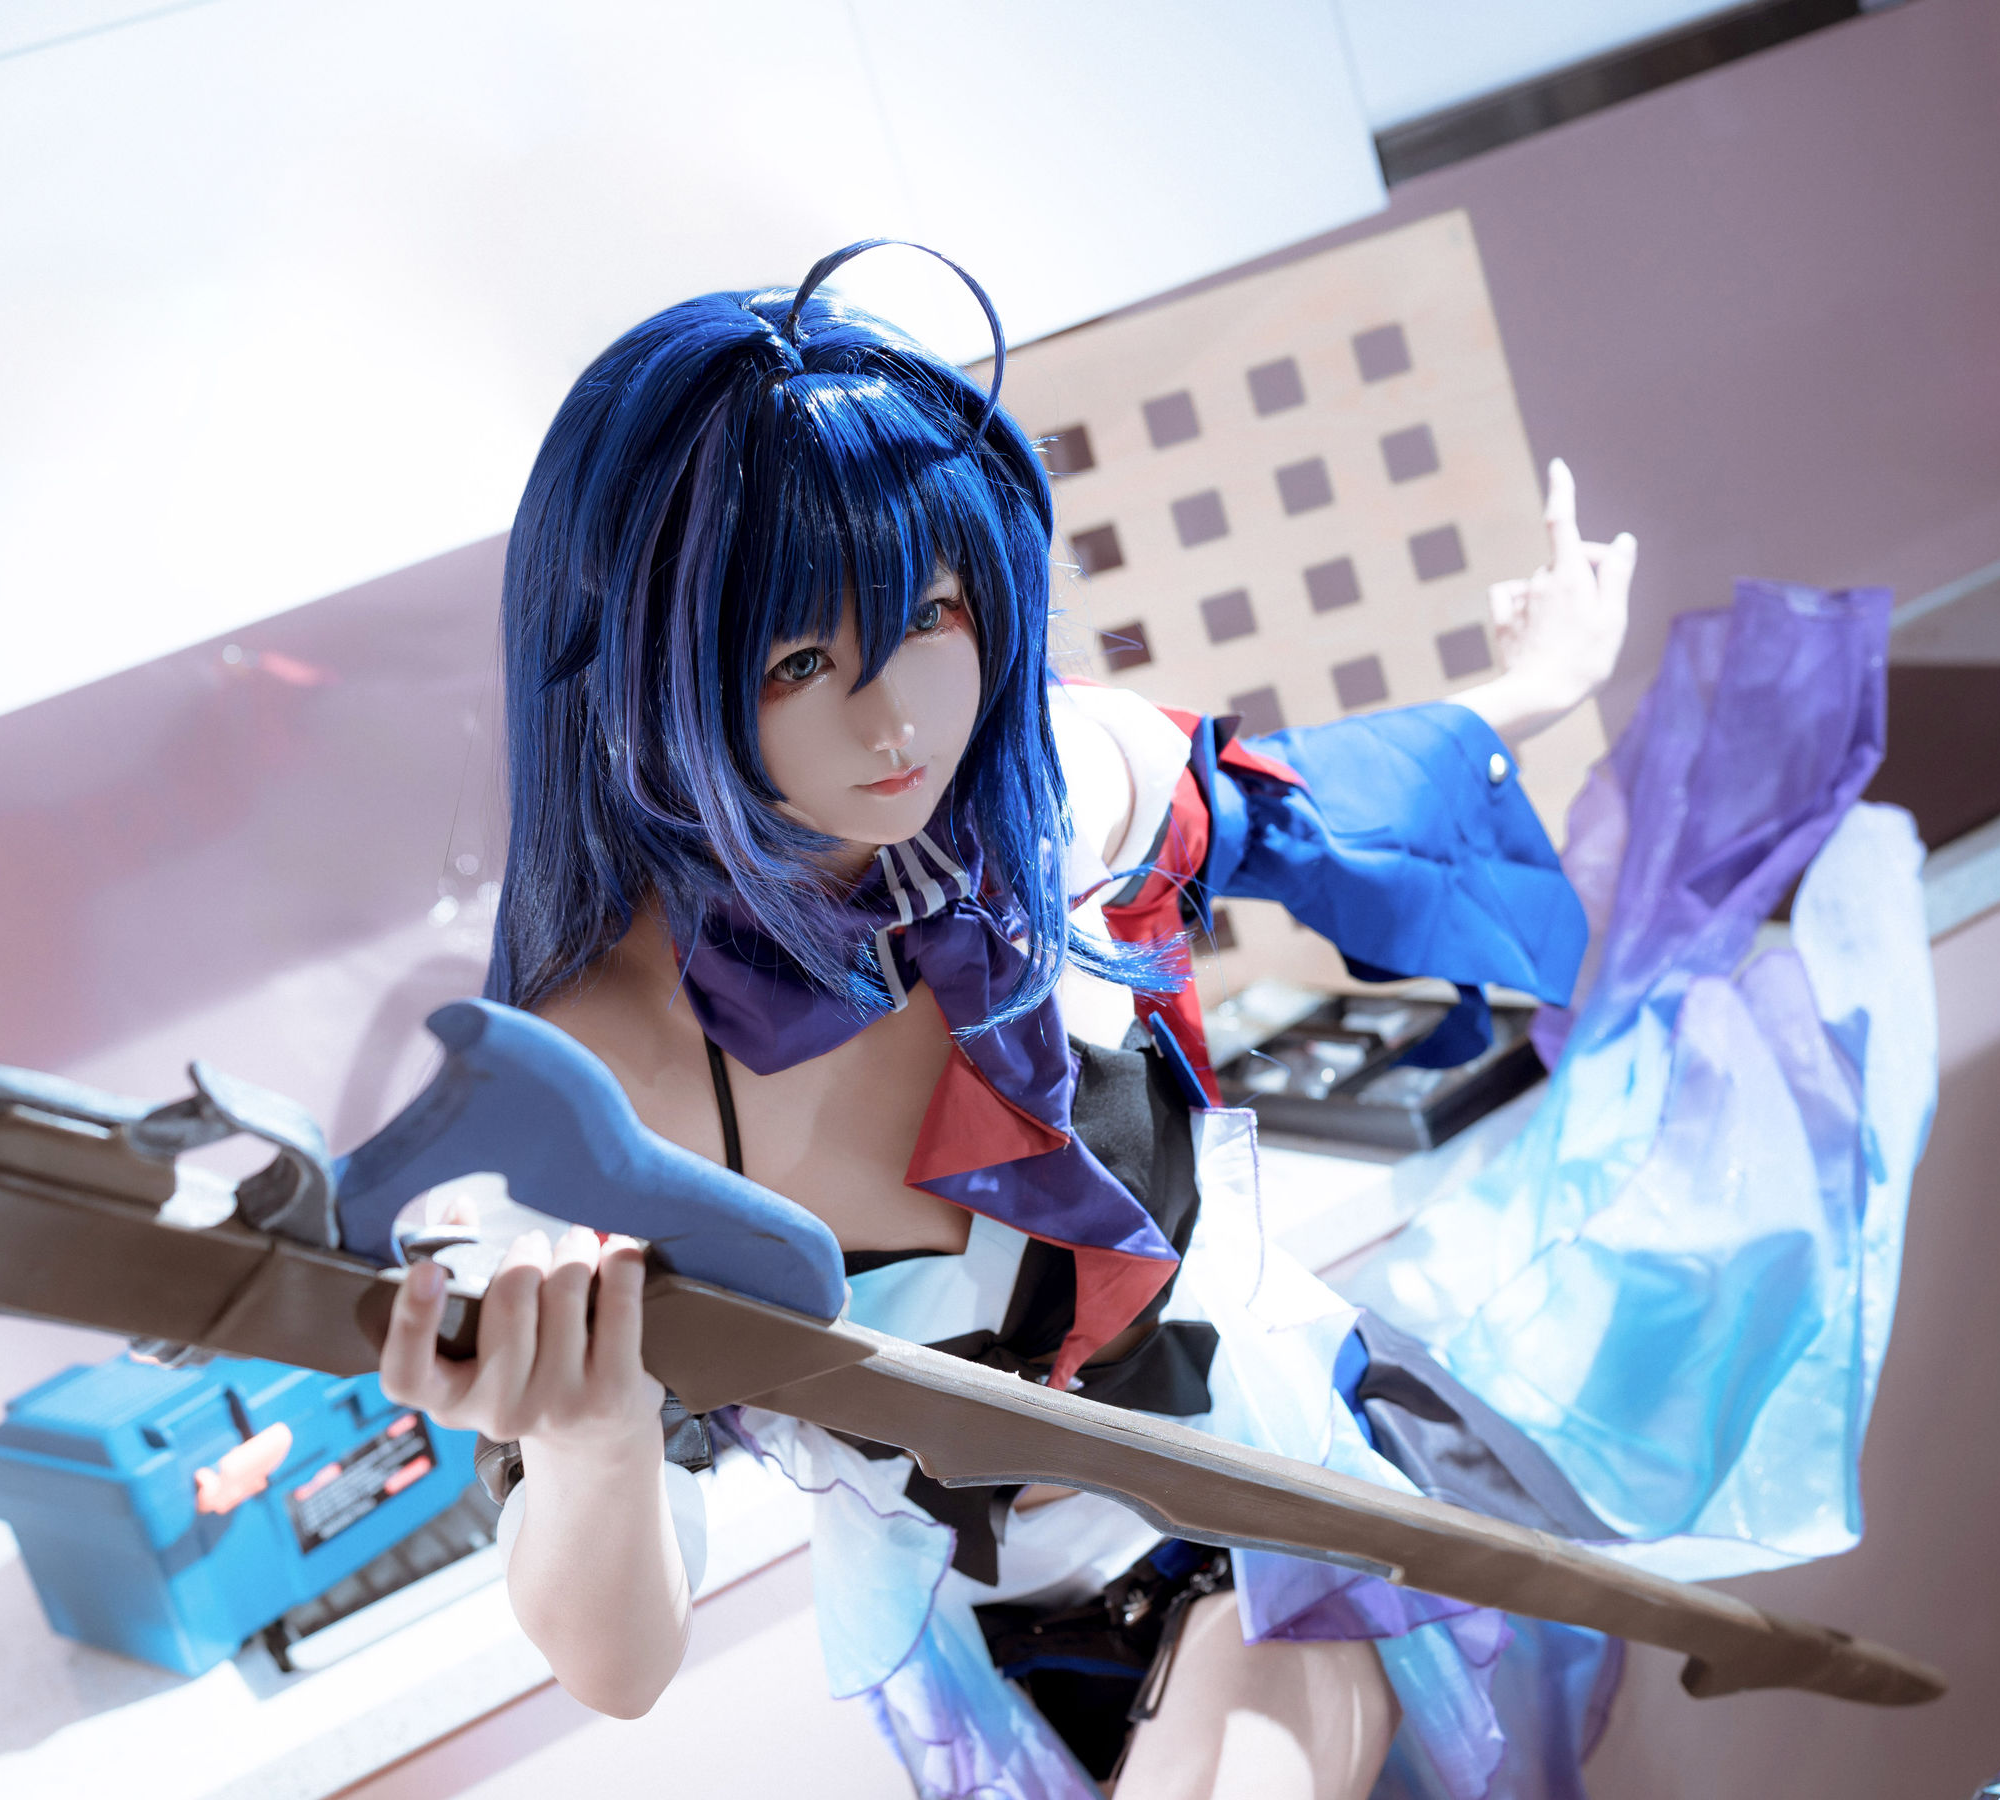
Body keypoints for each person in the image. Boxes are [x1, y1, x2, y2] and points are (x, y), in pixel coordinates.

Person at [376, 244, 1634, 1798]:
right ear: (652, 674)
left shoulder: (1056, 794)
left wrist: (1529, 690)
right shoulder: (602, 1072)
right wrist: (584, 1439)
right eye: (799, 659)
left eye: (929, 614)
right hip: (992, 1656)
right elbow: (616, 1667)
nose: (896, 717)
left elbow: (1318, 799)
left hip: (1273, 1527)